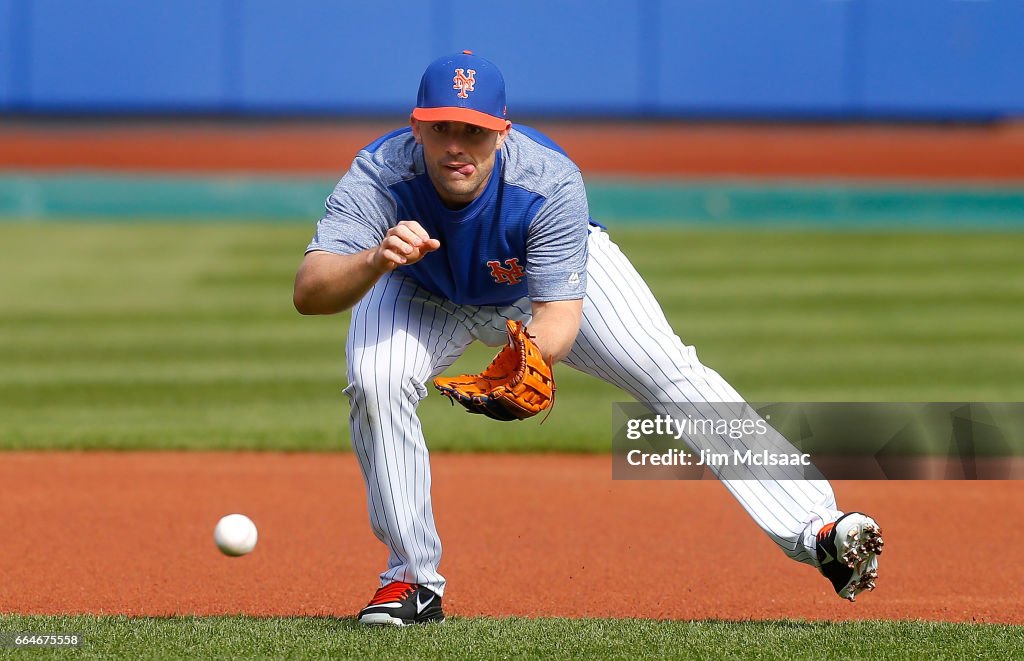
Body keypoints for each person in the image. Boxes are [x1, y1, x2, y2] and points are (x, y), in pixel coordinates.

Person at [293, 51, 883, 627]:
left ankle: (817, 529)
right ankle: (412, 580)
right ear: (415, 127)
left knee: (671, 374)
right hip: (418, 287)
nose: (456, 145)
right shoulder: (379, 173)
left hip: (539, 288)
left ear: (501, 133)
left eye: (474, 131)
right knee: (376, 381)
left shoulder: (547, 180)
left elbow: (557, 319)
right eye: (441, 127)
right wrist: (374, 258)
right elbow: (310, 291)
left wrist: (525, 361)